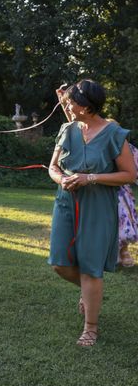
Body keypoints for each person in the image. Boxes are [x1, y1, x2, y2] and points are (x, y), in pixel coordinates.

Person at [49, 79, 136, 347]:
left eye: (71, 101)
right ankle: (90, 293)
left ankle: (91, 327)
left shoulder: (113, 133)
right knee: (60, 264)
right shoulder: (67, 129)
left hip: (98, 206)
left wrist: (91, 178)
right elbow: (53, 167)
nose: (67, 104)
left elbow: (130, 174)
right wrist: (61, 179)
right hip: (66, 202)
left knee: (90, 266)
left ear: (85, 107)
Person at [117, 142, 138, 267]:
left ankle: (124, 252)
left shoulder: (126, 147)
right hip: (98, 190)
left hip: (121, 191)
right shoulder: (94, 143)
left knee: (123, 221)